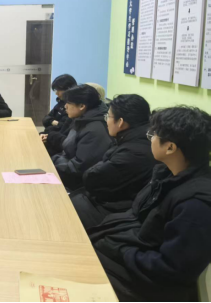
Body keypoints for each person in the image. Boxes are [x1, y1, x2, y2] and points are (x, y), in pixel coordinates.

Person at [89, 106, 211, 302]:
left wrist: (121, 250)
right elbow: (138, 216)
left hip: (153, 285)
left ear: (170, 147)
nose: (150, 139)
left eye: (153, 135)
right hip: (136, 256)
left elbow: (171, 270)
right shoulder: (167, 174)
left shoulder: (196, 204)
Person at [71, 95, 159, 229]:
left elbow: (92, 179)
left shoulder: (132, 153)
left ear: (120, 122)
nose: (106, 121)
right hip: (118, 203)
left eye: (108, 116)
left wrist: (100, 164)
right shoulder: (139, 137)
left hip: (117, 212)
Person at [52, 85, 112, 191]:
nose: (65, 106)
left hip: (78, 184)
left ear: (81, 106)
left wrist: (53, 163)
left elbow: (79, 167)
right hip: (66, 169)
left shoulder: (94, 129)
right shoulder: (82, 120)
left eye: (68, 103)